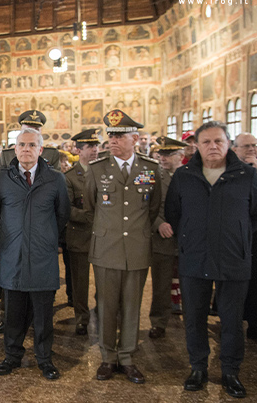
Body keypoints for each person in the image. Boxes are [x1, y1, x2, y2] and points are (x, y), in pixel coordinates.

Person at [165, 121, 257, 398]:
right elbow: (173, 212)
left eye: (218, 141)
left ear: (228, 144)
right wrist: (190, 237)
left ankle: (230, 371)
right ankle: (198, 368)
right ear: (196, 146)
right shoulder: (184, 175)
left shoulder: (246, 174)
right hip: (194, 257)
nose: (213, 146)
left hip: (233, 258)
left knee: (232, 320)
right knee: (194, 317)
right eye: (206, 142)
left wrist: (238, 235)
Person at [85, 110, 161, 384]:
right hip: (107, 248)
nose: (113, 140)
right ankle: (108, 357)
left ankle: (127, 357)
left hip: (137, 248)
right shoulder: (97, 169)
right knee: (106, 306)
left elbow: (153, 208)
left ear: (135, 139)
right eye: (111, 135)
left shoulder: (150, 169)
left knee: (132, 306)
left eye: (120, 136)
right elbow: (91, 207)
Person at [0, 128, 70, 380]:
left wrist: (45, 237)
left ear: (40, 150)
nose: (26, 149)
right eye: (22, 145)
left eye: (32, 145)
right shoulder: (1, 180)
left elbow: (62, 214)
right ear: (15, 149)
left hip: (42, 256)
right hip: (12, 255)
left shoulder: (55, 179)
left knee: (43, 315)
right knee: (13, 313)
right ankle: (12, 356)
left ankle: (45, 359)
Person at [147, 136, 187, 340]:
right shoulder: (150, 175)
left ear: (181, 155)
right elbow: (141, 203)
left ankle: (193, 322)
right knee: (161, 286)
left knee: (190, 285)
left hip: (187, 240)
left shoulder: (190, 175)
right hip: (162, 240)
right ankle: (158, 322)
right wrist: (158, 224)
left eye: (168, 154)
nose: (162, 158)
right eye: (161, 154)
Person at [64, 128, 100, 336]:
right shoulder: (70, 177)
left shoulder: (104, 173)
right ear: (78, 150)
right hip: (80, 235)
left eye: (96, 146)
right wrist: (90, 217)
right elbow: (66, 209)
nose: (94, 150)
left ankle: (103, 311)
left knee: (104, 281)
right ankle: (82, 319)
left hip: (104, 237)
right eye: (89, 147)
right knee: (80, 282)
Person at [233, 133, 257, 343]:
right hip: (235, 236)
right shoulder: (229, 172)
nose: (252, 149)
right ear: (235, 149)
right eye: (246, 146)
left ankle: (256, 323)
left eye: (254, 145)